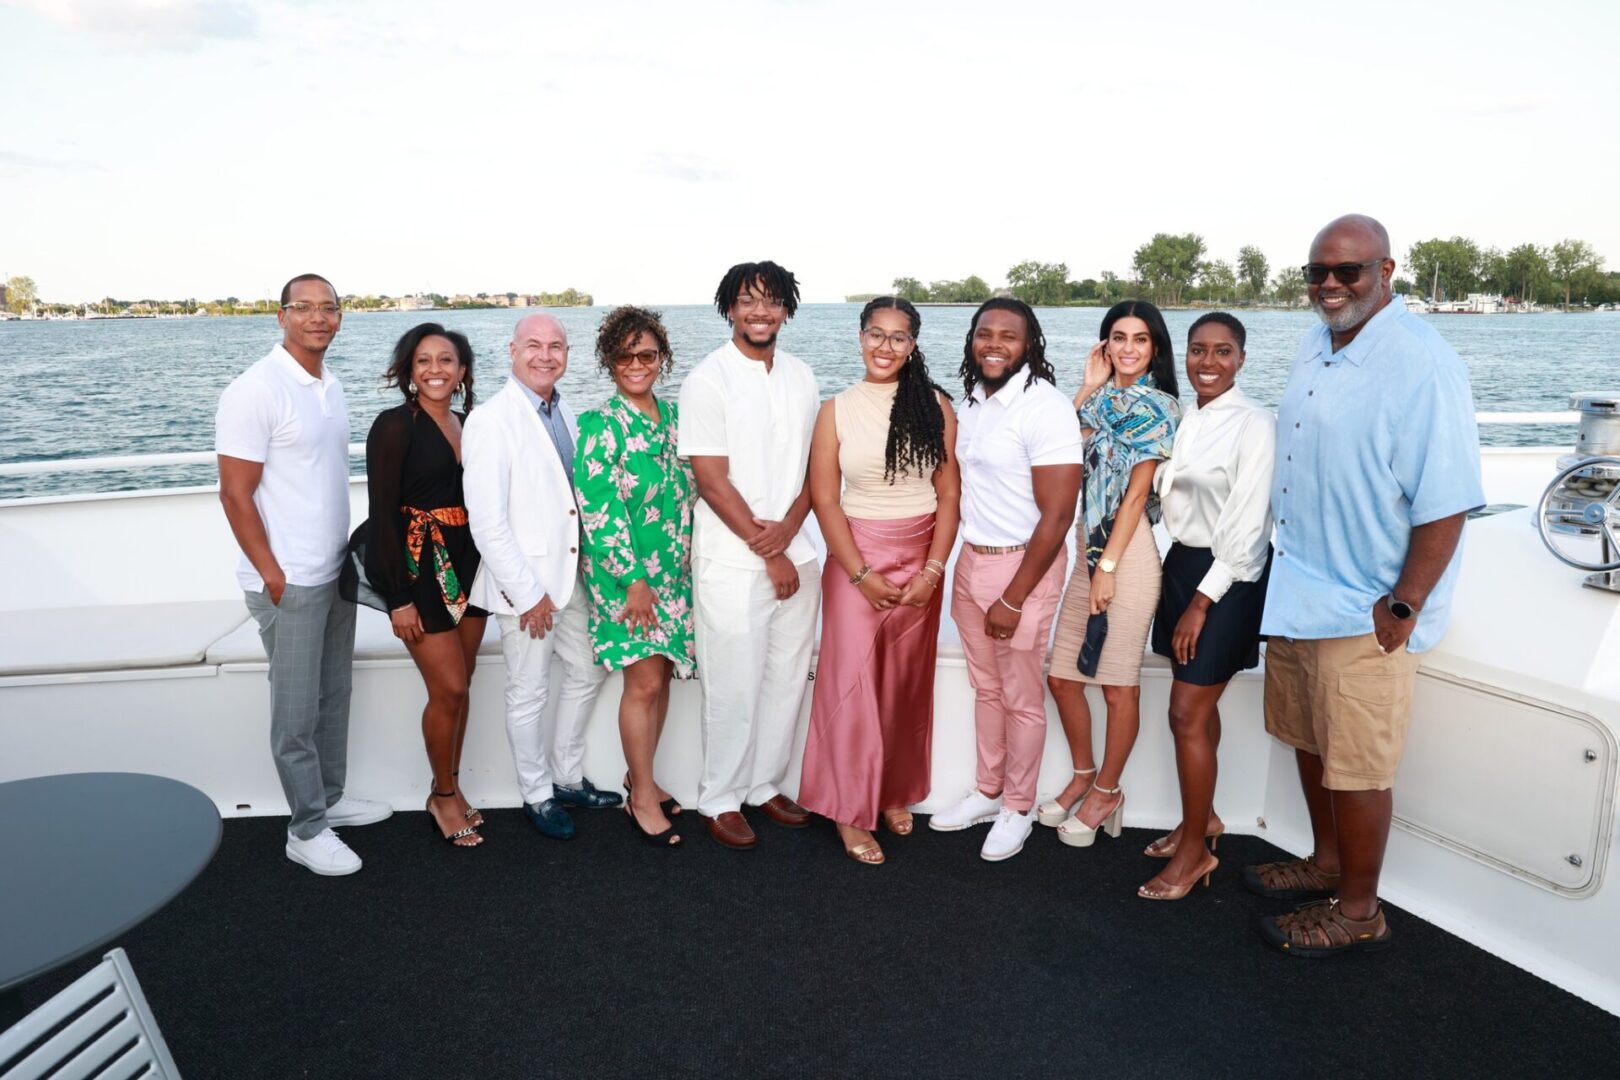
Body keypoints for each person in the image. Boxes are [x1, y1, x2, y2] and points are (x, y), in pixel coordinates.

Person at [1251, 214, 1483, 955]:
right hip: (1299, 590)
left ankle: (1358, 911)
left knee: (1357, 767)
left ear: (1386, 272)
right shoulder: (1315, 343)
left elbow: (1445, 500)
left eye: (1347, 272)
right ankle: (1325, 864)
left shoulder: (1423, 363)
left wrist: (1403, 605)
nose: (1328, 285)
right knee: (1309, 740)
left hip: (1365, 606)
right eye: (1317, 271)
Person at [216, 273, 392, 876]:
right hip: (289, 580)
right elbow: (235, 495)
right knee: (295, 713)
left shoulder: (328, 384)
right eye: (305, 308)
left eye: (329, 308)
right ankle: (305, 829)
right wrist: (272, 574)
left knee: (334, 692)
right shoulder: (255, 390)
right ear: (281, 316)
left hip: (334, 569)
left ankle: (331, 800)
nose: (318, 318)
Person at [799, 297, 961, 865]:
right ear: (860, 337)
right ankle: (847, 809)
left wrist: (933, 570)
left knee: (903, 684)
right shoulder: (835, 411)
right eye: (876, 334)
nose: (885, 347)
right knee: (851, 684)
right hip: (855, 562)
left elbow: (948, 496)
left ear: (913, 345)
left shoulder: (935, 406)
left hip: (922, 561)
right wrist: (860, 573)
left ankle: (892, 791)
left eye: (898, 337)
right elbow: (824, 500)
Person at [929, 298, 1083, 862]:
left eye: (1009, 336)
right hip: (972, 558)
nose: (994, 343)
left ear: (1030, 344)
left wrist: (1015, 598)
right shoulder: (970, 403)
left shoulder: (1044, 407)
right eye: (984, 333)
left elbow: (1059, 515)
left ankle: (1018, 807)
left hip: (1024, 567)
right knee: (986, 687)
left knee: (1021, 697)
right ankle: (987, 791)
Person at [677, 260, 820, 849]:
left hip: (800, 551)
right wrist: (770, 551)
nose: (759, 311)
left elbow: (818, 468)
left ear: (786, 308)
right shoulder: (707, 379)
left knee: (787, 677)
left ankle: (764, 785)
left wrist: (790, 531)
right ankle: (720, 798)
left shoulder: (803, 375)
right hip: (734, 562)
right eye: (747, 301)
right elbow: (711, 479)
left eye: (771, 300)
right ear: (729, 309)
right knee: (733, 684)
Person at [462, 313, 620, 842]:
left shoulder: (566, 411)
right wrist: (528, 595)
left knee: (589, 666)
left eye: (556, 346)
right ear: (511, 351)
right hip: (525, 587)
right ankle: (536, 794)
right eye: (533, 345)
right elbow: (487, 521)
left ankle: (567, 776)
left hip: (571, 575)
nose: (545, 355)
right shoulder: (490, 420)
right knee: (527, 691)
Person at [1138, 313, 1274, 899]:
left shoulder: (1254, 424)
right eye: (1198, 350)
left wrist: (1200, 603)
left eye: (1223, 352)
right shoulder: (1182, 415)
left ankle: (1195, 854)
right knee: (1198, 707)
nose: (1209, 363)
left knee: (1185, 713)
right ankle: (1206, 820)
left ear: (1241, 358)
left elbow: (1248, 529)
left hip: (1227, 579)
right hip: (1182, 566)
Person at [1044, 300, 1180, 849]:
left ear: (1155, 349)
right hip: (1086, 549)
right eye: (1118, 337)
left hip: (1127, 555)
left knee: (1118, 687)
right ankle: (1082, 772)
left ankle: (1107, 789)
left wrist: (1108, 567)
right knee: (1061, 676)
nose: (1128, 348)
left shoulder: (1159, 406)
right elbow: (1059, 452)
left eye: (1140, 339)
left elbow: (1135, 497)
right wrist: (1085, 385)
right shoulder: (1097, 401)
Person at [361, 323, 489, 847]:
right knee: (449, 688)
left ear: (462, 373)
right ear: (409, 372)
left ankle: (453, 789)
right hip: (420, 569)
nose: (435, 370)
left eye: (446, 361)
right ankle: (440, 795)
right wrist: (397, 598)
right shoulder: (395, 426)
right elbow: (382, 515)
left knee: (465, 688)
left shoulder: (472, 423)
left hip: (471, 564)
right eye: (424, 361)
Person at [575, 306, 695, 849]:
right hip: (630, 578)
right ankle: (642, 797)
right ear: (609, 360)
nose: (636, 364)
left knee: (661, 676)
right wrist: (633, 581)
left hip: (675, 572)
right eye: (625, 355)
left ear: (662, 358)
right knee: (642, 682)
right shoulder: (599, 425)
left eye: (647, 354)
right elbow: (600, 510)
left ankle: (639, 778)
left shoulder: (674, 419)